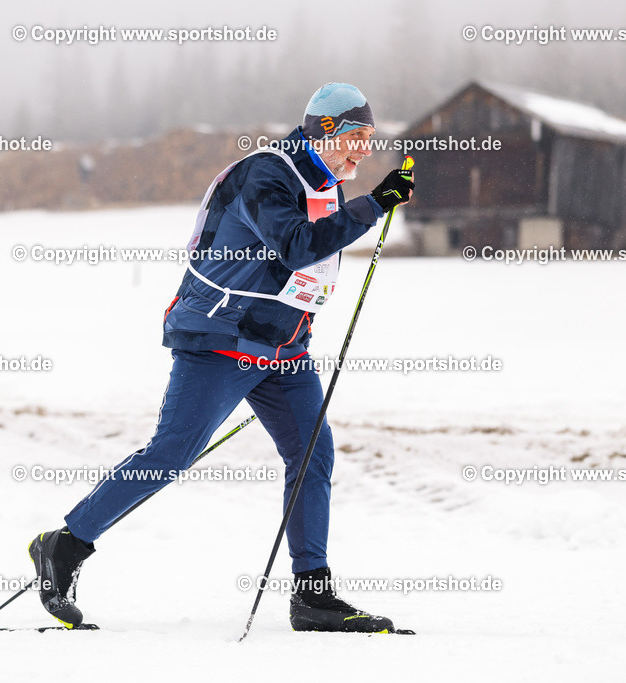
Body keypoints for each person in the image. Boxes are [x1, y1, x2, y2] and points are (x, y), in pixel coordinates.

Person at [29, 83, 415, 632]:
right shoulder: (267, 174)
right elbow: (297, 246)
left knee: (312, 456)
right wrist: (377, 202)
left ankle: (313, 597)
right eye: (355, 138)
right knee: (173, 453)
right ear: (323, 131)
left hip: (282, 348)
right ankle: (63, 546)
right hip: (221, 338)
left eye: (370, 140)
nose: (363, 152)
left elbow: (303, 270)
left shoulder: (323, 185)